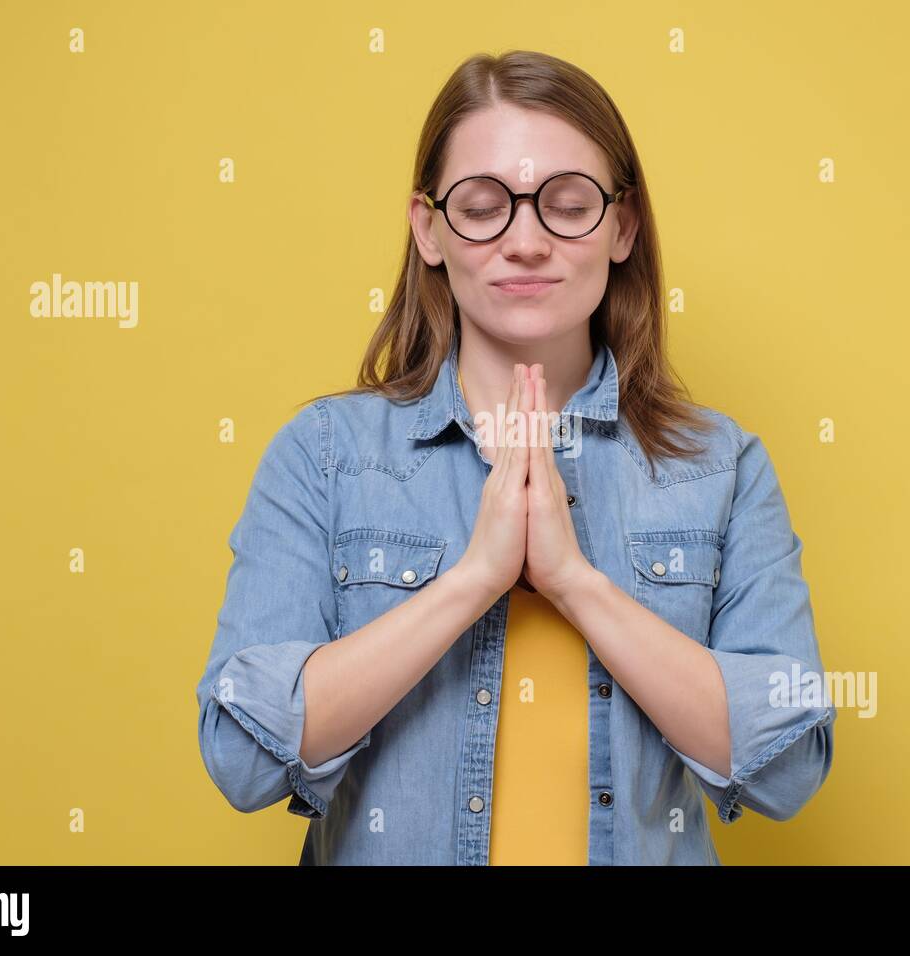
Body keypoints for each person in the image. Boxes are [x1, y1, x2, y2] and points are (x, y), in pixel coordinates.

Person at [195, 49, 835, 866]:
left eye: (567, 205)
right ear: (428, 228)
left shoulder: (719, 467)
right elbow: (242, 759)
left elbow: (786, 767)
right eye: (483, 205)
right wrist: (474, 580)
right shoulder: (324, 457)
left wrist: (574, 581)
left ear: (622, 226)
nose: (525, 241)